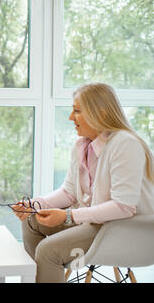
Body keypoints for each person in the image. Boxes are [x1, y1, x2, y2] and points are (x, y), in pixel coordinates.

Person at [12, 82, 154, 283]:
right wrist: (34, 205)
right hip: (95, 222)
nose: (71, 117)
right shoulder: (82, 145)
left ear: (101, 114)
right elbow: (69, 192)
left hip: (122, 228)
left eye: (77, 111)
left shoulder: (125, 144)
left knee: (48, 250)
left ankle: (48, 268)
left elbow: (123, 207)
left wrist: (68, 215)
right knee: (31, 220)